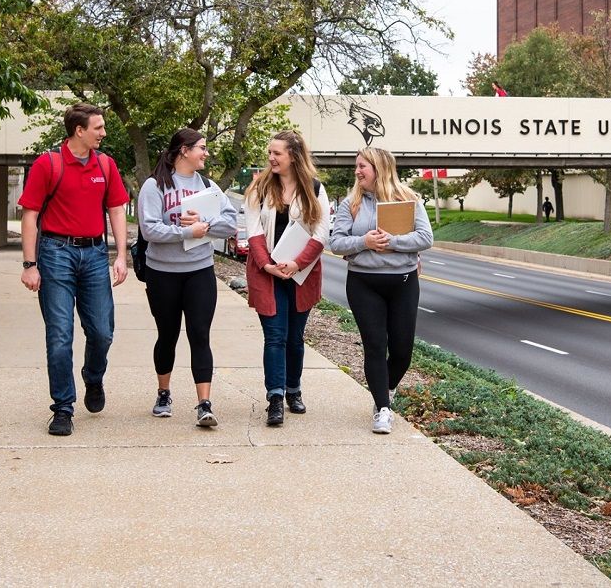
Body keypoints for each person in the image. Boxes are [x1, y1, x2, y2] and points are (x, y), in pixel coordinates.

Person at [19, 103, 129, 437]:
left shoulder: (106, 165)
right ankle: (63, 408)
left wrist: (121, 255)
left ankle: (93, 378)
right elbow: (30, 215)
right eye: (98, 127)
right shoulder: (48, 164)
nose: (103, 133)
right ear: (79, 130)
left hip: (95, 253)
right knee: (60, 335)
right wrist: (29, 265)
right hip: (55, 254)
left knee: (101, 332)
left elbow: (116, 209)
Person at [330, 146, 434, 434]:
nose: (357, 171)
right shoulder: (351, 203)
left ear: (379, 168)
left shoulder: (409, 200)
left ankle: (385, 389)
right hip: (364, 283)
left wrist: (392, 241)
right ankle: (382, 408)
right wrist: (365, 241)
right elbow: (336, 243)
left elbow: (426, 237)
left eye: (362, 166)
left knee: (402, 351)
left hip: (403, 283)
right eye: (357, 166)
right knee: (375, 346)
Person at [138, 128, 237, 427]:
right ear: (184, 150)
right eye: (202, 148)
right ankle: (164, 393)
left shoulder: (209, 186)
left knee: (200, 335)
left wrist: (204, 225)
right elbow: (149, 230)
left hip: (199, 272)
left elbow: (231, 223)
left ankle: (204, 404)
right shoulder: (155, 186)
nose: (206, 154)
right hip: (162, 274)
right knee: (167, 336)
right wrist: (185, 232)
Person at [243, 130, 331, 427]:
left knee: (295, 338)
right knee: (275, 337)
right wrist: (267, 265)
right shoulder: (259, 189)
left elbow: (321, 234)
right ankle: (275, 398)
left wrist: (296, 263)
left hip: (301, 274)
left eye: (276, 153)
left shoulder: (315, 189)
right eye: (270, 152)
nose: (271, 158)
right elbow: (253, 231)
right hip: (267, 274)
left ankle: (294, 390)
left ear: (293, 156)